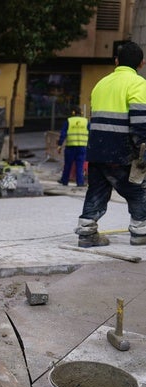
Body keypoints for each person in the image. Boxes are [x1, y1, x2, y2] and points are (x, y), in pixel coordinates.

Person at [75, 41, 146, 248]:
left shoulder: (101, 83)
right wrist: (143, 153)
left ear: (116, 61)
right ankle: (140, 232)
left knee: (97, 190)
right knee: (137, 189)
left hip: (97, 149)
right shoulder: (139, 84)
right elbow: (141, 123)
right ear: (141, 63)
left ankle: (87, 233)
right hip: (123, 151)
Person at [57, 107, 89, 187]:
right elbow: (91, 133)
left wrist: (60, 145)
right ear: (81, 113)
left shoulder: (69, 121)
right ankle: (80, 182)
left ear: (73, 113)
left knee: (68, 165)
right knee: (80, 165)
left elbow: (63, 134)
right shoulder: (86, 121)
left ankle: (64, 181)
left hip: (70, 147)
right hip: (82, 147)